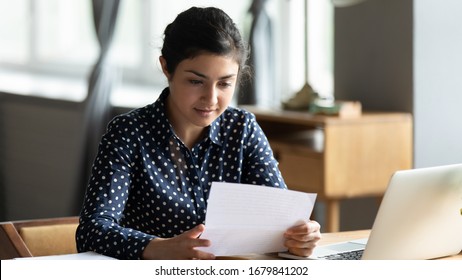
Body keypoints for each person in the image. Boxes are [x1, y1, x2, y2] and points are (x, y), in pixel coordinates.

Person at [76, 6, 321, 260]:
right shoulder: (128, 134)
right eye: (196, 81)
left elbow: (281, 221)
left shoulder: (243, 129)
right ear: (166, 68)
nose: (211, 99)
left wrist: (300, 237)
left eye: (225, 83)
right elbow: (92, 231)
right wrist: (159, 248)